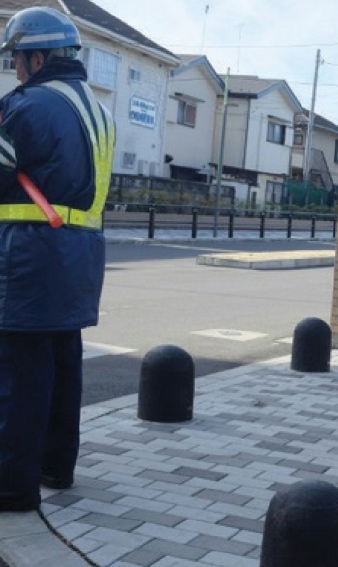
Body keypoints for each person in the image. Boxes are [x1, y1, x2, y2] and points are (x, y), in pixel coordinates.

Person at [0, 7, 115, 512]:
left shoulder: (27, 106)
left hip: (30, 257)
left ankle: (11, 488)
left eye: (18, 61)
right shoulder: (99, 112)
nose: (16, 72)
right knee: (64, 365)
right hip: (79, 257)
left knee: (18, 377)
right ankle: (55, 467)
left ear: (38, 57)